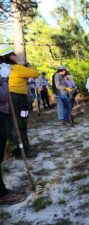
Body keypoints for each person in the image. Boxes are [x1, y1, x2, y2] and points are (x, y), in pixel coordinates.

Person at [0, 45, 26, 205]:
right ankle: (1, 194)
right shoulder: (6, 71)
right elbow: (2, 96)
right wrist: (4, 79)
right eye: (13, 54)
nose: (16, 56)